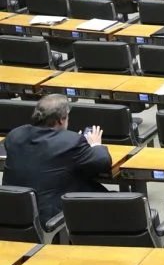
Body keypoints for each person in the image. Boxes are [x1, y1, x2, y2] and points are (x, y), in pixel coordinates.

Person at [2, 94, 111, 223]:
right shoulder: (71, 141)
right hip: (48, 217)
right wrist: (95, 144)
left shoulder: (15, 134)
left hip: (9, 212)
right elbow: (103, 161)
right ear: (61, 120)